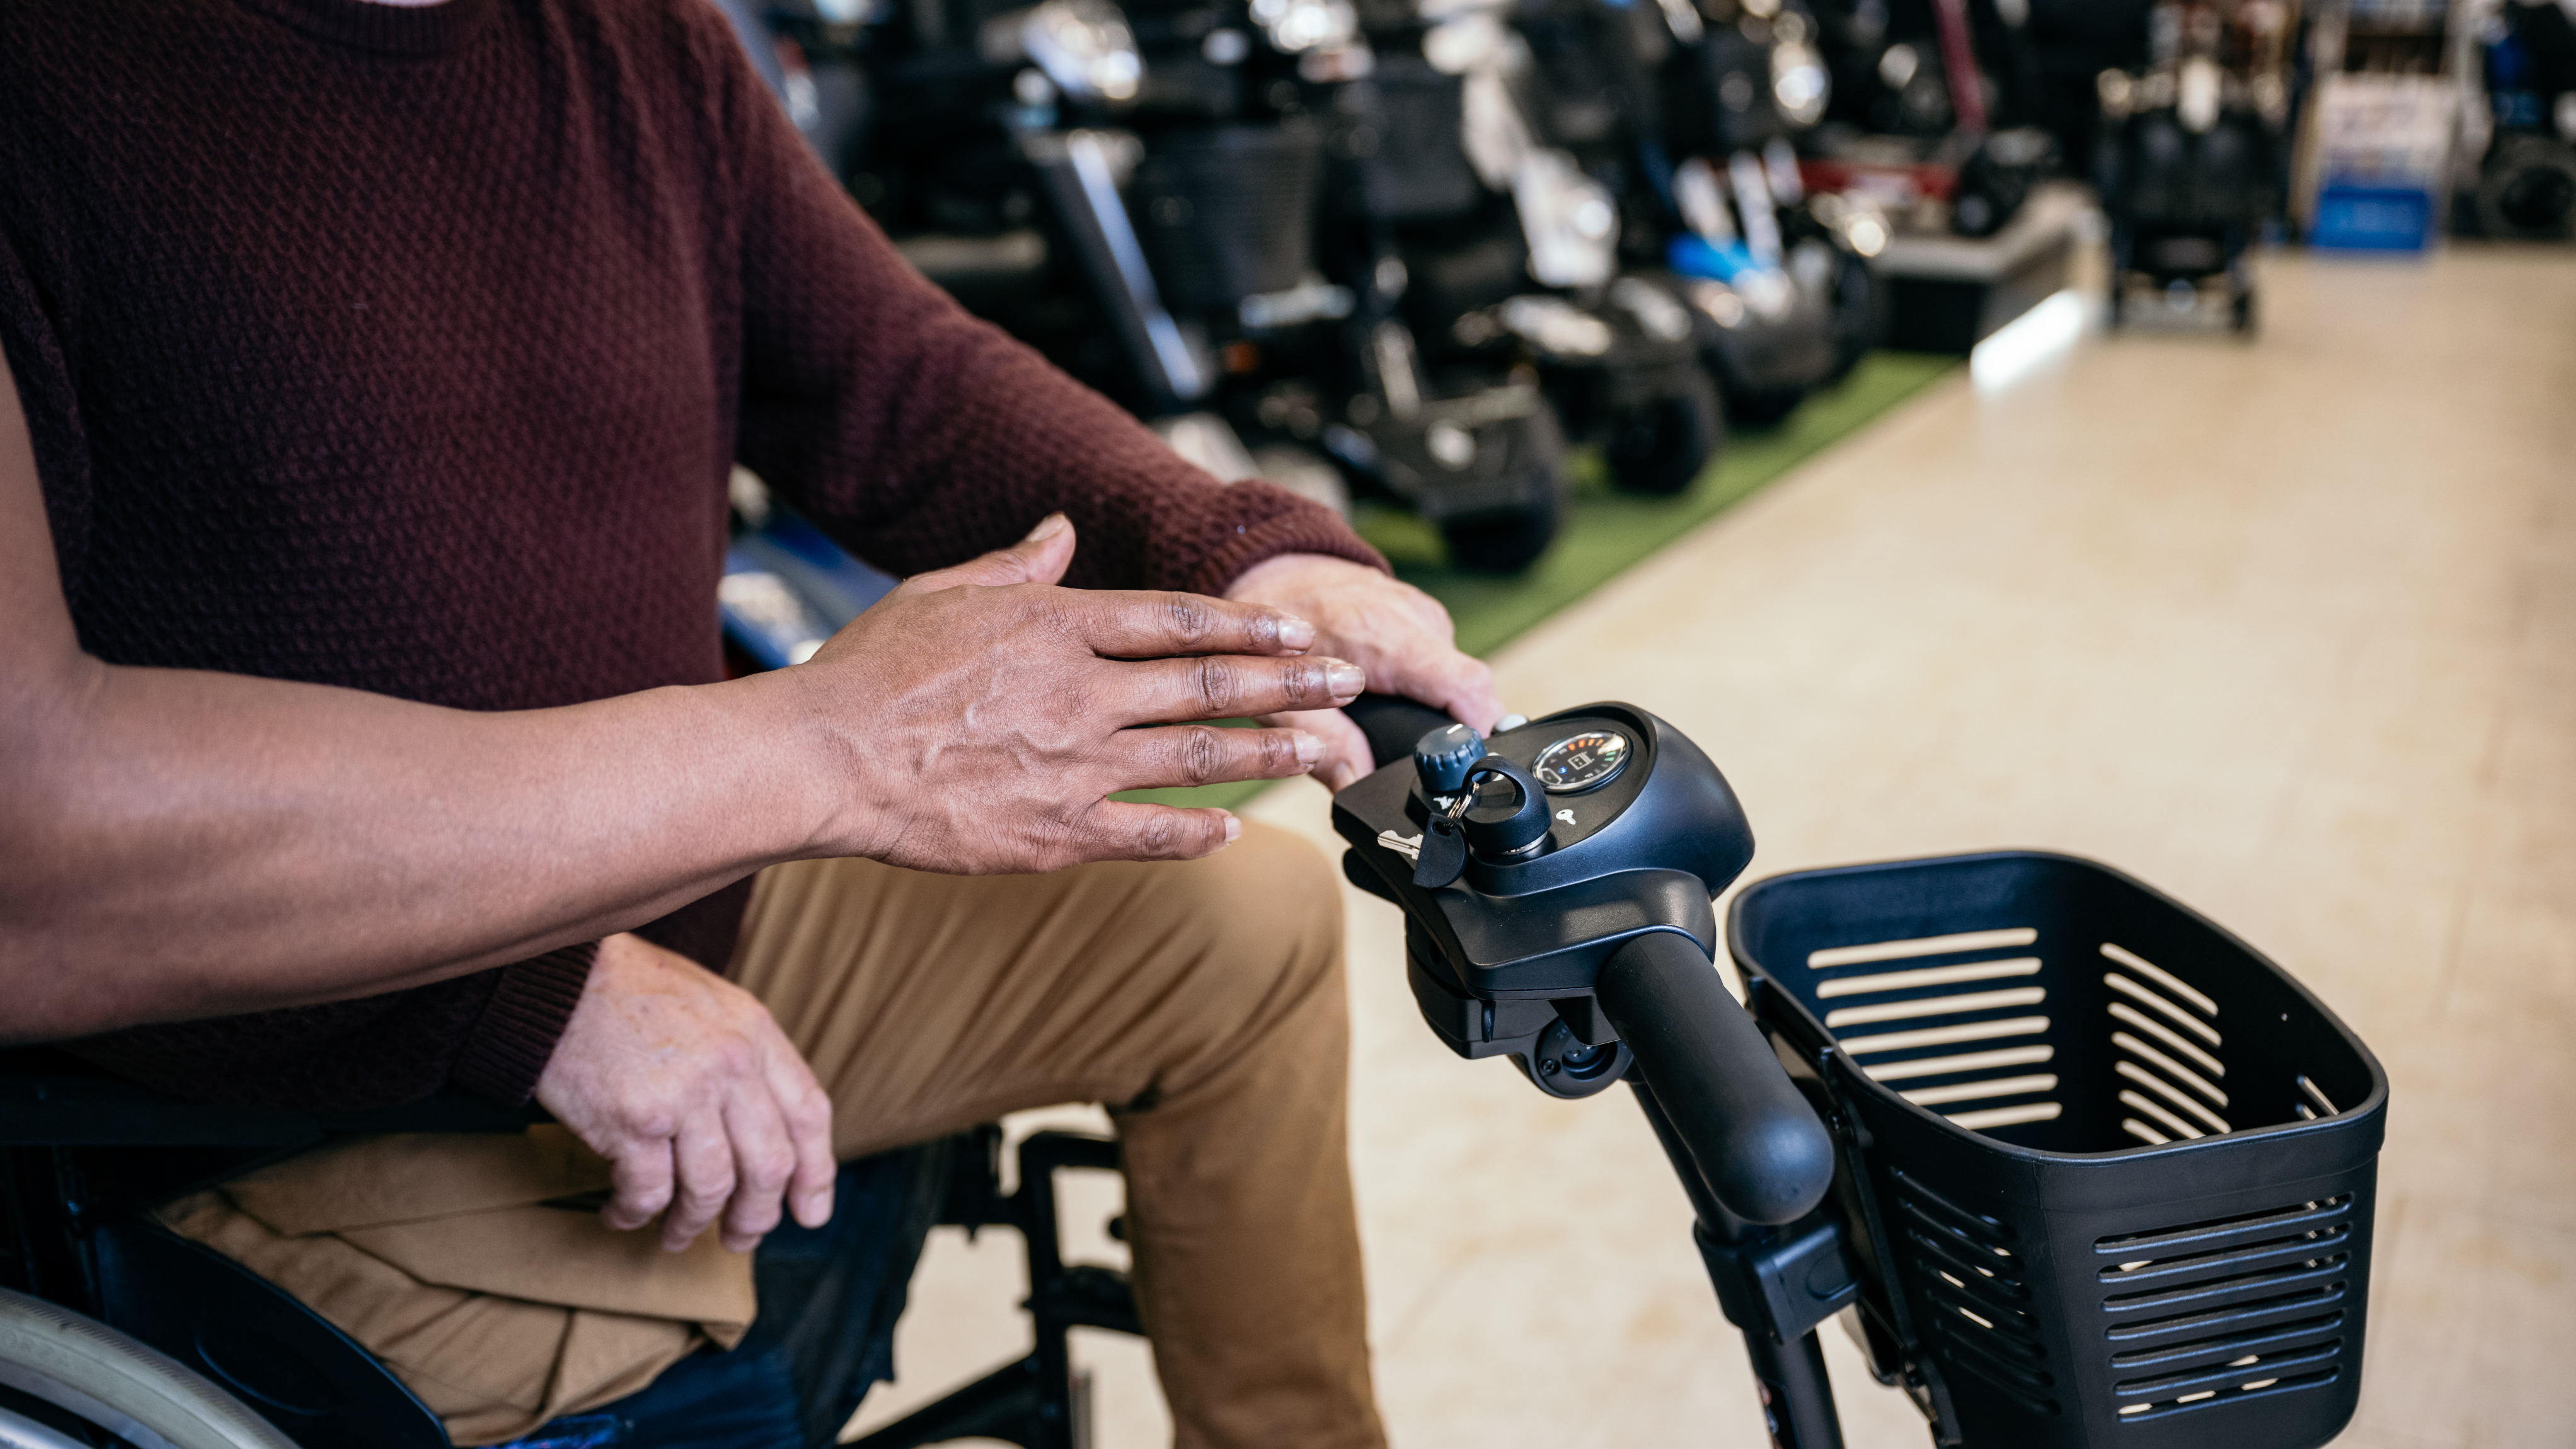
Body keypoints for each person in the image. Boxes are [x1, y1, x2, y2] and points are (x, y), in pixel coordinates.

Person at [0, 0, 1502, 1443]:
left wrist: (1245, 554)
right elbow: (41, 852)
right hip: (266, 1063)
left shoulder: (628, 38)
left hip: (690, 895)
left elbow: (899, 384)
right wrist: (542, 976)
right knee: (645, 1313)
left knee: (1237, 922)